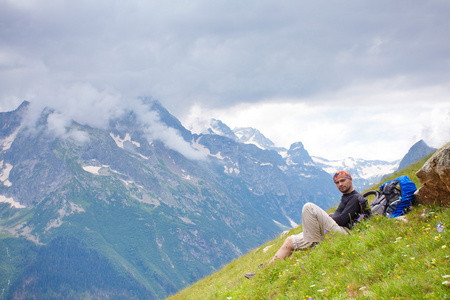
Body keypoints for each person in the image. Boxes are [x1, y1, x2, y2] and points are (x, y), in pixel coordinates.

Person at [245, 170, 369, 279]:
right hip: (334, 230)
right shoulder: (345, 197)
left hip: (344, 233)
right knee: (289, 241)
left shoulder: (354, 198)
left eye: (343, 181)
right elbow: (337, 216)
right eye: (337, 182)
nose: (340, 184)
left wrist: (329, 217)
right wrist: (330, 217)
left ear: (350, 180)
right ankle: (265, 271)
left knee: (309, 207)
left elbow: (342, 220)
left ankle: (315, 245)